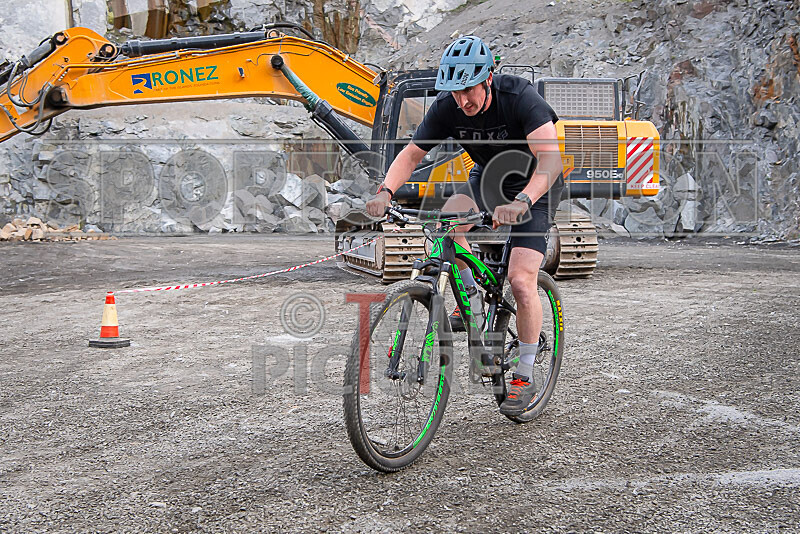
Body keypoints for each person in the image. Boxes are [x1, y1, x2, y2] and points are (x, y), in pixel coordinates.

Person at [366, 35, 564, 417]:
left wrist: (522, 202)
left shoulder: (520, 98)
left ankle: (524, 372)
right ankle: (470, 302)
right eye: (454, 93)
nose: (462, 101)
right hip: (488, 179)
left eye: (468, 90)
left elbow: (551, 161)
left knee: (522, 279)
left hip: (537, 185)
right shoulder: (447, 107)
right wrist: (385, 192)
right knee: (447, 226)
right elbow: (410, 155)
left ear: (488, 78)